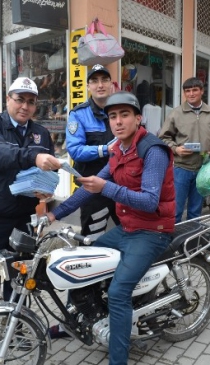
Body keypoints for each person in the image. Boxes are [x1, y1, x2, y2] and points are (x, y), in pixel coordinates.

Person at [47, 92, 175, 365]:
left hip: (152, 231)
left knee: (118, 293)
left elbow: (150, 201)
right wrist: (54, 215)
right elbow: (90, 187)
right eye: (113, 116)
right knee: (81, 261)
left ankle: (118, 360)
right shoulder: (118, 150)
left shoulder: (152, 151)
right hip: (127, 228)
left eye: (124, 115)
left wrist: (108, 188)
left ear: (138, 118)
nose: (117, 121)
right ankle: (78, 321)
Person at [0, 77, 61, 311]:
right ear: (8, 99)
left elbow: (45, 172)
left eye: (30, 102)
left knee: (19, 280)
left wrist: (46, 191)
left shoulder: (40, 133)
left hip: (22, 219)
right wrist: (33, 157)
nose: (25, 106)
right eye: (19, 100)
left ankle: (16, 330)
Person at [158, 77, 210, 222]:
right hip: (181, 169)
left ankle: (192, 241)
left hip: (204, 169)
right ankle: (173, 242)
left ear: (201, 91)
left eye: (195, 90)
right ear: (184, 93)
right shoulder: (176, 114)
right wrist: (176, 149)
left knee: (195, 211)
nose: (191, 94)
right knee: (176, 210)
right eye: (187, 91)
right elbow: (163, 137)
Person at [65, 64, 120, 241]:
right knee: (92, 239)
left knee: (131, 235)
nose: (100, 85)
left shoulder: (120, 110)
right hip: (92, 190)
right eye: (94, 81)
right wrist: (105, 149)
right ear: (88, 86)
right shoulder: (79, 114)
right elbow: (75, 150)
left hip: (121, 187)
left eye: (104, 80)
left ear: (111, 84)